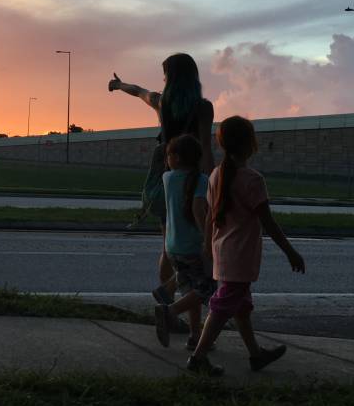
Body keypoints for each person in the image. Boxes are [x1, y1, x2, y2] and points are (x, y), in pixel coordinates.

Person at [186, 115, 306, 377]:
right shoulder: (252, 180)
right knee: (221, 308)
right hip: (239, 256)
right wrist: (291, 252)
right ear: (250, 143)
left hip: (223, 252)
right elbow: (269, 223)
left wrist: (208, 245)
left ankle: (256, 355)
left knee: (240, 307)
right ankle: (198, 358)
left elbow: (209, 216)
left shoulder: (216, 174)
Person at [109, 53, 215, 302]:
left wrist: (117, 85)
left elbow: (138, 91)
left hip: (167, 178)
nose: (163, 78)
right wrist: (213, 184)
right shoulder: (203, 108)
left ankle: (168, 301)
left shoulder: (160, 102)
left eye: (165, 74)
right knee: (200, 243)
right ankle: (187, 304)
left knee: (169, 244)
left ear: (172, 77)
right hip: (193, 181)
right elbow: (207, 151)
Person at [152, 134, 217, 352]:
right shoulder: (201, 180)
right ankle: (169, 311)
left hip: (172, 247)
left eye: (168, 155)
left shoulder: (167, 178)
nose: (166, 160)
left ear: (177, 158)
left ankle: (194, 334)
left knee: (191, 290)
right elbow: (199, 211)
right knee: (207, 287)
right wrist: (208, 241)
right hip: (192, 246)